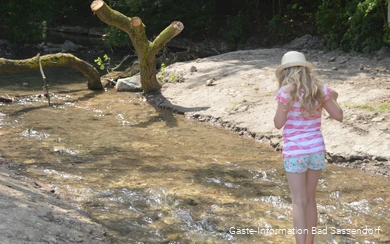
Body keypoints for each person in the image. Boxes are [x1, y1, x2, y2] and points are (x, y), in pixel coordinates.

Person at [273, 51, 343, 244]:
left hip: (296, 153)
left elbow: (278, 123)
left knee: (299, 201)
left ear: (285, 72)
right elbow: (339, 116)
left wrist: (283, 104)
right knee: (311, 199)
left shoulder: (285, 92)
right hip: (316, 151)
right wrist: (333, 97)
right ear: (305, 69)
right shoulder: (320, 90)